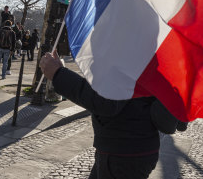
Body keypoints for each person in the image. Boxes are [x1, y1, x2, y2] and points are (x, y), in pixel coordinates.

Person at [40, 50, 179, 179]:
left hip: (122, 154)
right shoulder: (146, 44)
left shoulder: (130, 47)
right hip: (130, 149)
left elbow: (106, 102)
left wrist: (58, 74)